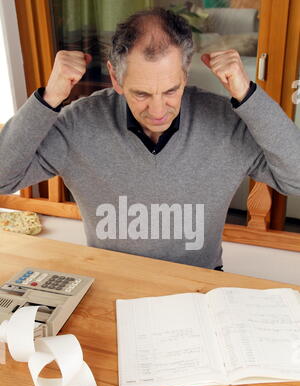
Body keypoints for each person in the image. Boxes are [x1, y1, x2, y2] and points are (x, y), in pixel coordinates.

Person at [0, 7, 300, 271]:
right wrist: (49, 99)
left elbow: (296, 179)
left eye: (171, 90)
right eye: (141, 93)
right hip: (112, 283)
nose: (158, 110)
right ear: (116, 78)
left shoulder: (226, 122)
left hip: (197, 286)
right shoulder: (80, 122)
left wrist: (248, 96)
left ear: (185, 75)